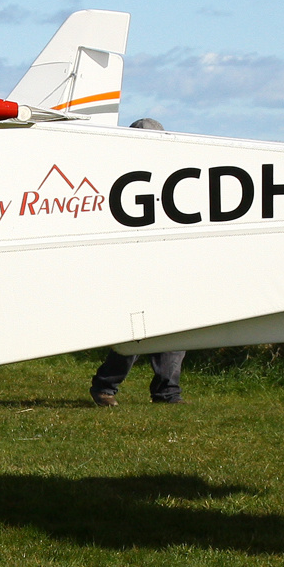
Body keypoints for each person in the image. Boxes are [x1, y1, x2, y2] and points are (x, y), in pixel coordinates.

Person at [90, 117, 185, 405]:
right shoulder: (115, 176)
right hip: (131, 264)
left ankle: (168, 392)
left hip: (164, 260)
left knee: (177, 329)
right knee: (134, 333)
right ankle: (105, 386)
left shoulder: (173, 176)